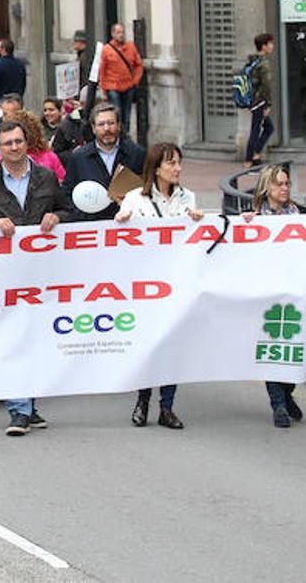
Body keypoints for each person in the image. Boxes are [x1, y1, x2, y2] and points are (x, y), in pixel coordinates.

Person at [0, 120, 73, 436]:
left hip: (42, 274)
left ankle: (29, 405)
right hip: (5, 278)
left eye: (18, 142)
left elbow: (69, 212)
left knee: (35, 339)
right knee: (13, 339)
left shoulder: (47, 178)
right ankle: (19, 410)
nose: (14, 147)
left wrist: (57, 217)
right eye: (7, 143)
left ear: (27, 144)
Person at [113, 142, 203, 430]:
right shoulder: (134, 199)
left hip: (176, 284)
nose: (177, 169)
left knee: (172, 345)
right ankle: (143, 400)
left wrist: (198, 222)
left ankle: (167, 407)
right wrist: (121, 222)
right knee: (149, 346)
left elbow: (196, 240)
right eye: (171, 163)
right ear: (156, 168)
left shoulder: (187, 197)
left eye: (179, 163)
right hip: (145, 286)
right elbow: (119, 242)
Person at [242, 165, 306, 427]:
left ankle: (287, 393)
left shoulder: (298, 215)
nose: (285, 188)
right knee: (273, 348)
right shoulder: (255, 218)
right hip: (269, 294)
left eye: (287, 184)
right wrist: (246, 225)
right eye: (279, 184)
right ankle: (278, 404)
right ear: (267, 187)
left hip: (295, 292)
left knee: (295, 347)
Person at [62, 102, 147, 221]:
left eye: (111, 123)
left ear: (119, 125)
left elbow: (148, 187)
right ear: (93, 128)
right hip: (92, 225)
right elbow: (67, 193)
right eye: (101, 124)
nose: (107, 129)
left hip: (129, 223)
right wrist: (81, 216)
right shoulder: (79, 157)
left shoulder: (137, 154)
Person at [98, 22, 143, 132]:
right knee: (117, 112)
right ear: (113, 34)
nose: (121, 35)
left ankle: (125, 136)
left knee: (127, 114)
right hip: (112, 86)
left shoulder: (131, 47)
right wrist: (103, 90)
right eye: (118, 32)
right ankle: (117, 134)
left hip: (128, 85)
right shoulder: (107, 49)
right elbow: (102, 71)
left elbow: (138, 65)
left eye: (122, 32)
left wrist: (135, 81)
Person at [244, 32, 275, 166]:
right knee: (257, 129)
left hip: (253, 100)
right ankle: (249, 159)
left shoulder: (253, 61)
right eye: (270, 43)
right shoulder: (263, 64)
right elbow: (266, 85)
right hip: (260, 101)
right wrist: (268, 104)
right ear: (264, 46)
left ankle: (255, 155)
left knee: (266, 128)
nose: (272, 46)